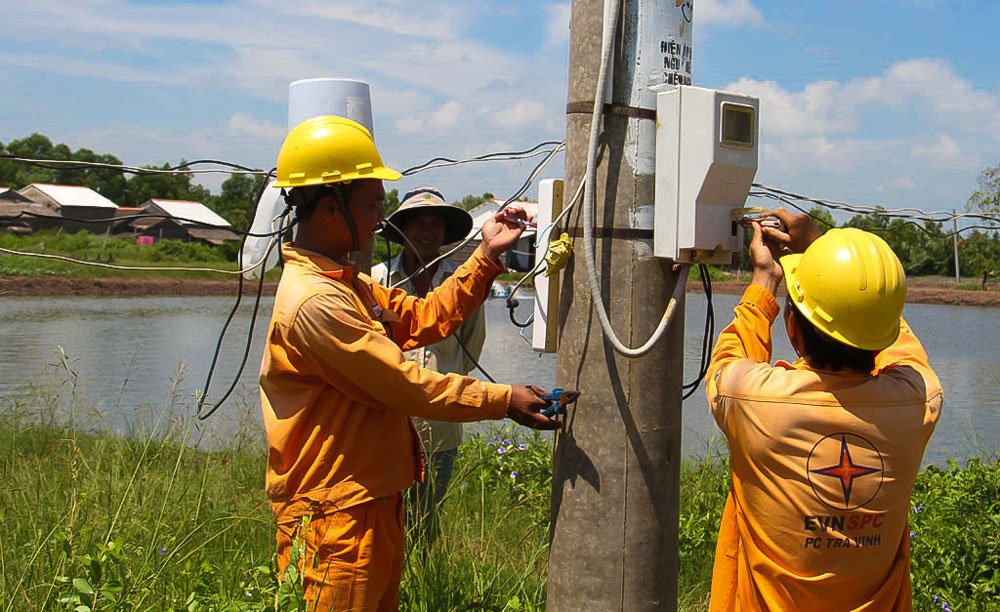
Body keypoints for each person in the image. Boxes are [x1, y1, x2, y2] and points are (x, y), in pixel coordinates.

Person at [259, 115, 561, 611]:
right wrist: (505, 400)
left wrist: (486, 256)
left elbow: (423, 318)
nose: (381, 220)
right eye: (373, 204)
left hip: (368, 501)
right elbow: (404, 385)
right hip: (335, 515)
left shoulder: (348, 285)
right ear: (332, 208)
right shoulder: (316, 301)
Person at [705, 209, 942, 610]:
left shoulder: (752, 400)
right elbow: (888, 332)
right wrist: (835, 262)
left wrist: (765, 280)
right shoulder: (917, 403)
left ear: (792, 329)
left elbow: (732, 354)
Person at [370, 186, 479, 547]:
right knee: (380, 518)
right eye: (417, 223)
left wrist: (440, 381)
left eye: (436, 223)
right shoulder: (374, 279)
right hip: (383, 423)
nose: (427, 231)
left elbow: (471, 352)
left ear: (446, 232)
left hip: (439, 424)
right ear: (400, 229)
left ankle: (421, 591)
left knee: (426, 519)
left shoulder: (462, 282)